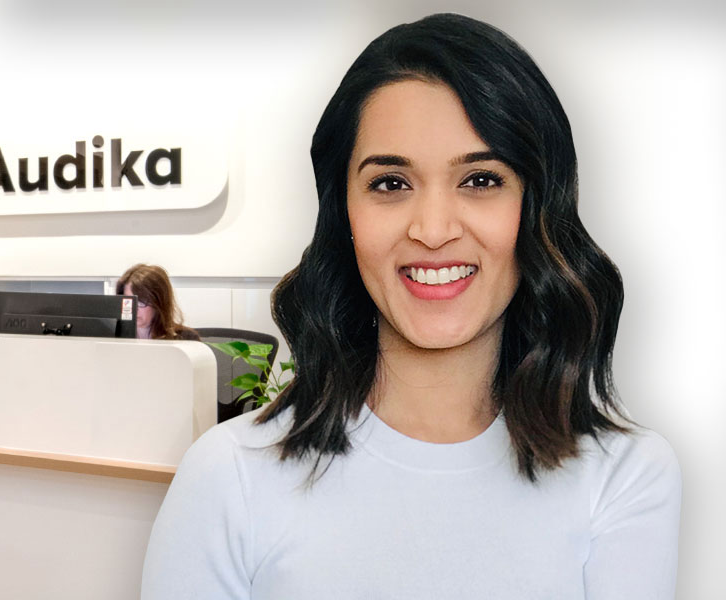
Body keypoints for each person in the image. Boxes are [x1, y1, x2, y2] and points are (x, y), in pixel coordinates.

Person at [141, 13, 681, 599]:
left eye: (480, 180)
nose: (431, 229)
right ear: (342, 214)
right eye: (391, 184)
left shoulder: (624, 477)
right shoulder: (230, 475)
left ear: (536, 207)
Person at [116, 263, 200, 341]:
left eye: (141, 301)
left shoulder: (187, 339)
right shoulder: (113, 337)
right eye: (128, 301)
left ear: (159, 302)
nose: (133, 308)